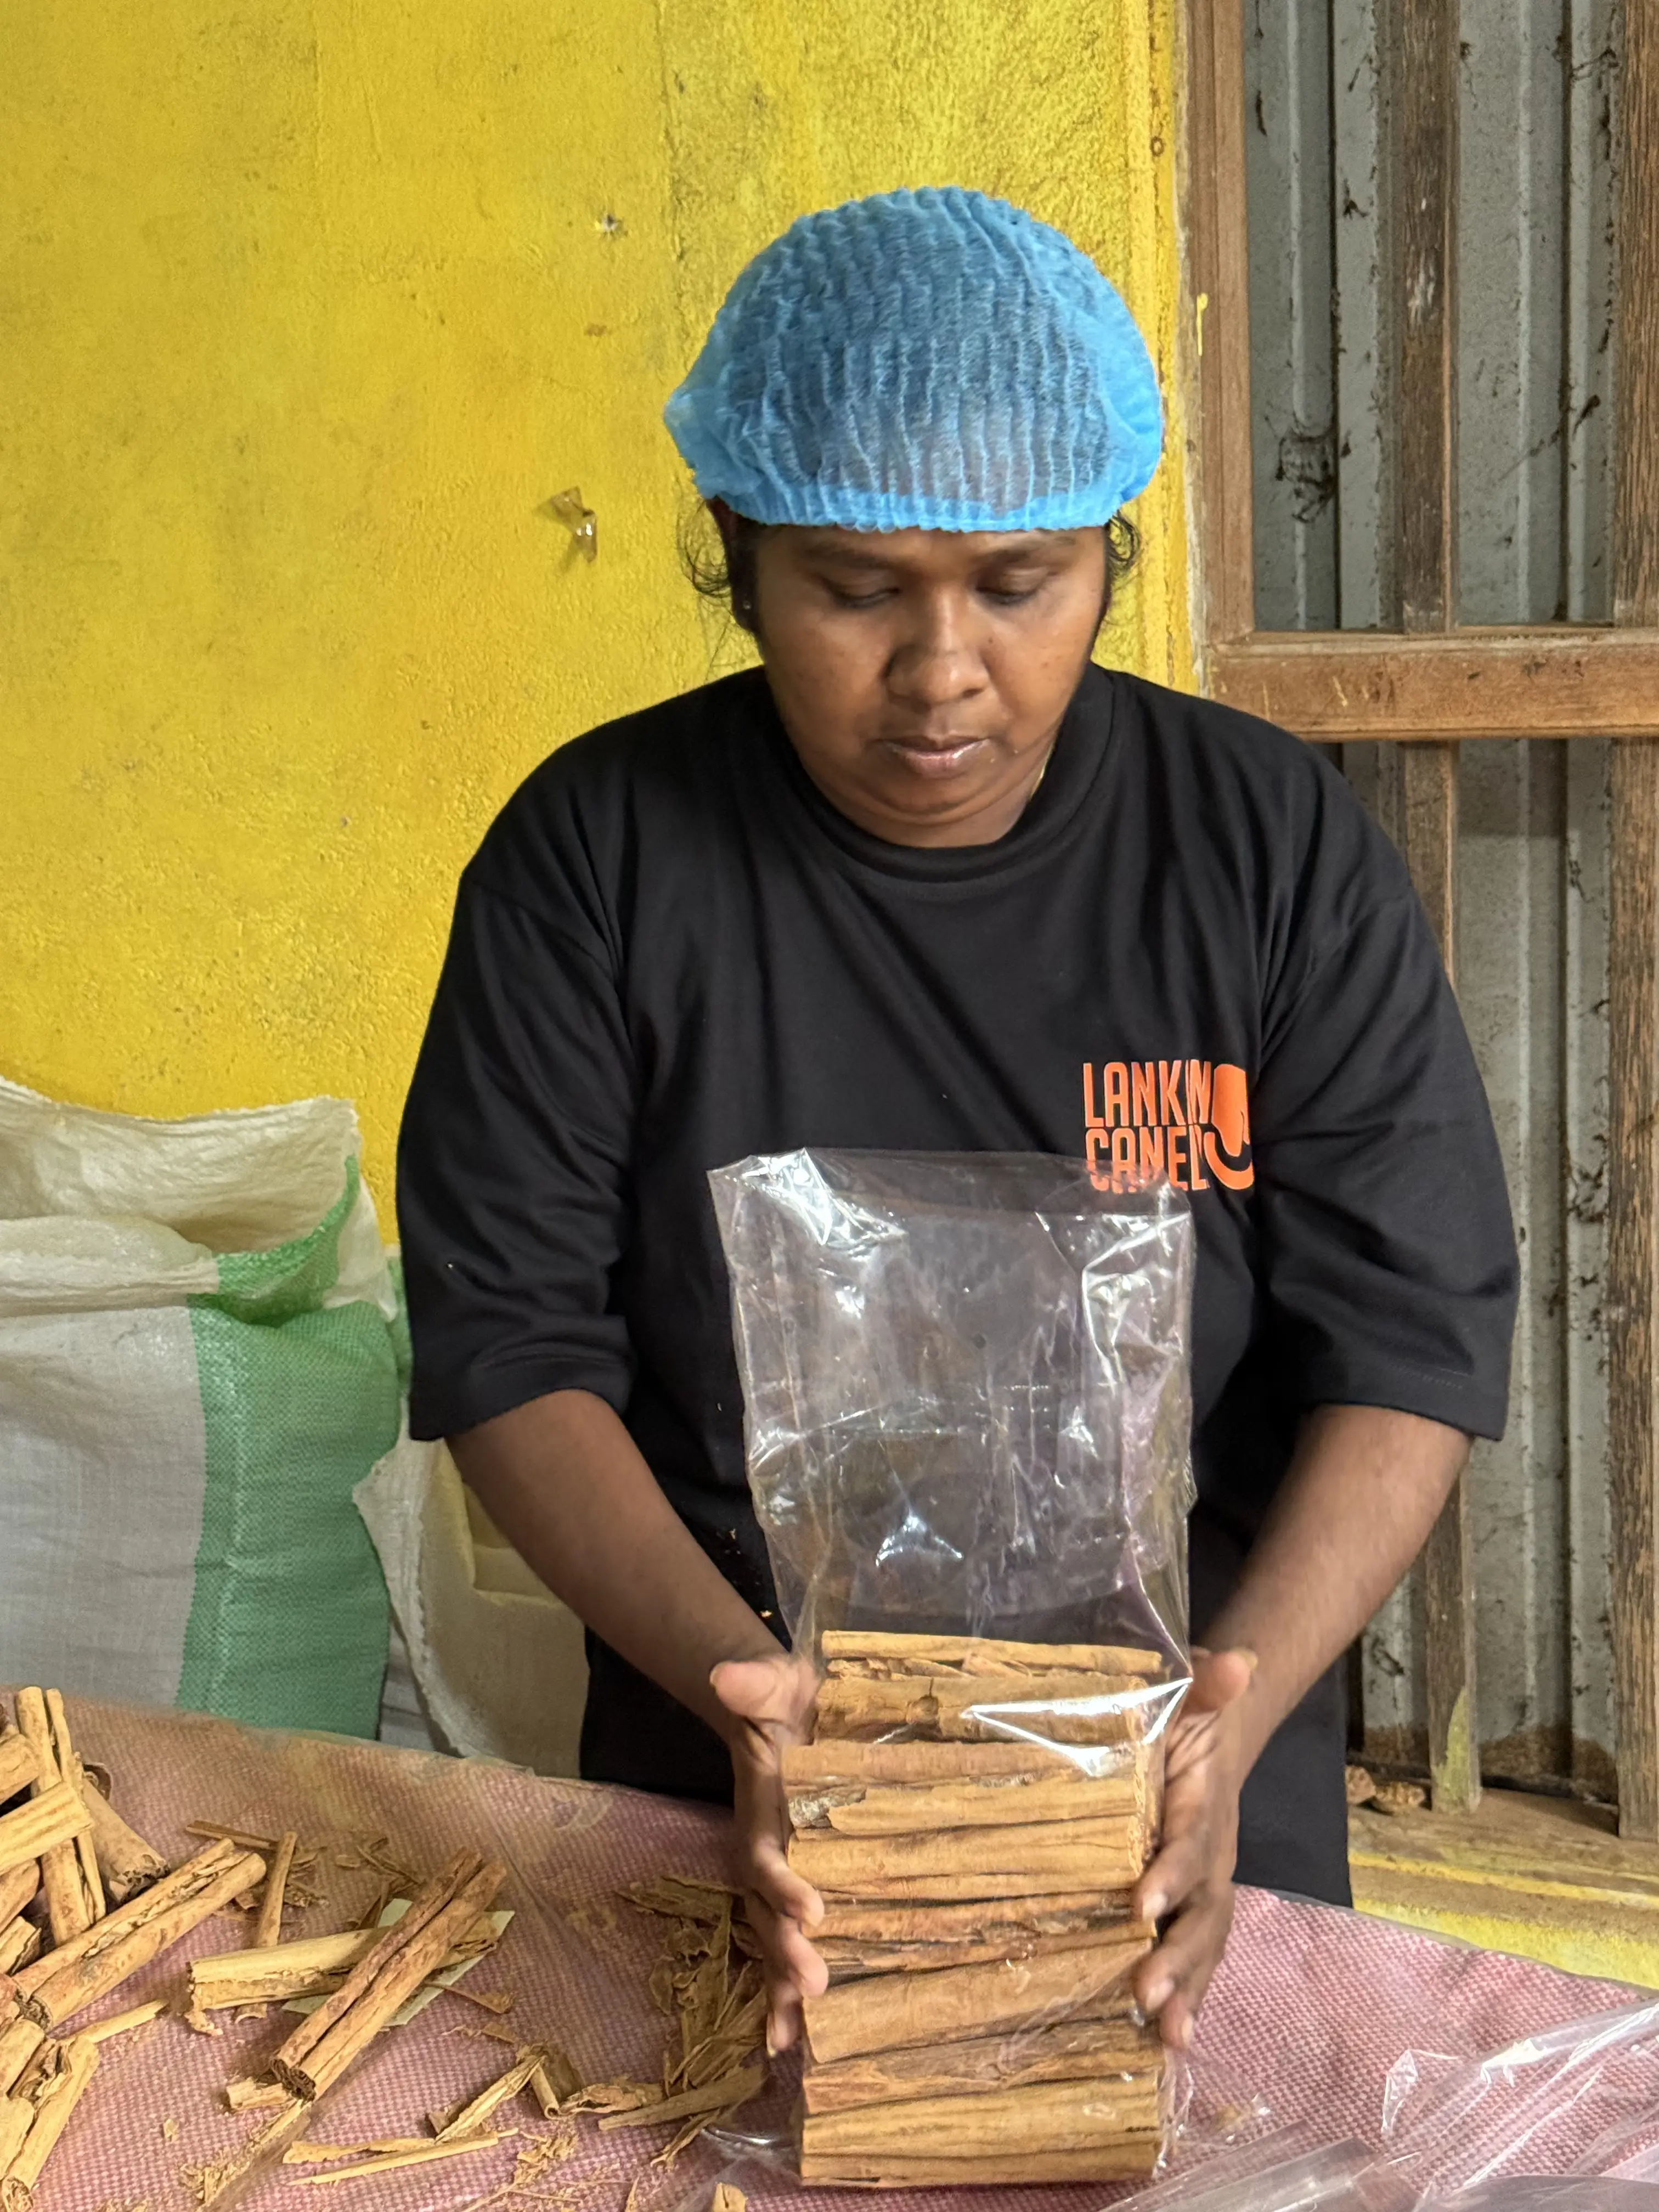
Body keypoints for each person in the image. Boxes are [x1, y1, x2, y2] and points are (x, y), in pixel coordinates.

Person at [397, 187, 1517, 2055]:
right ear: (739, 555)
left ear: (1106, 555)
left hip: (1195, 1785)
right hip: (721, 1770)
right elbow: (511, 1346)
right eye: (854, 589)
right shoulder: (594, 864)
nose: (941, 673)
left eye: (1019, 584)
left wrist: (1229, 1719)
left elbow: (1411, 1339)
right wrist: (754, 1705)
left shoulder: (1268, 852)